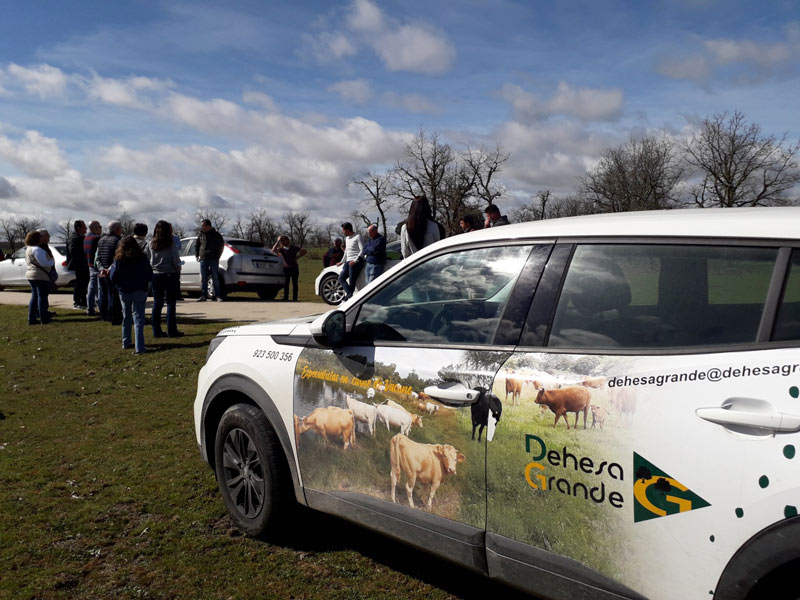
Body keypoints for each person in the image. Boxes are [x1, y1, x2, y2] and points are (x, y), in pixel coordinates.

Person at [110, 236, 153, 354]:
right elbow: (149, 273)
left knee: (127, 317)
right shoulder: (142, 258)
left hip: (125, 291)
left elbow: (113, 276)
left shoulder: (119, 259)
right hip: (139, 289)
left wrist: (119, 285)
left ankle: (126, 341)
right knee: (139, 318)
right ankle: (139, 347)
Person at [146, 220, 182, 337]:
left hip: (156, 274)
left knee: (158, 303)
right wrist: (178, 270)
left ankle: (156, 330)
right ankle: (172, 330)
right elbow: (176, 260)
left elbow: (147, 259)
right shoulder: (170, 243)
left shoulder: (151, 243)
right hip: (170, 273)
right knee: (171, 303)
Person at [95, 220, 123, 324]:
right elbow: (117, 257)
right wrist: (110, 269)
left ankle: (103, 315)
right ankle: (113, 315)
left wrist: (102, 268)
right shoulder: (118, 240)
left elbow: (97, 257)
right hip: (112, 271)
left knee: (103, 294)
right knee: (113, 295)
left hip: (102, 271)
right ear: (117, 229)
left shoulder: (101, 240)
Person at [24, 230, 53, 325]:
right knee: (42, 297)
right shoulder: (37, 249)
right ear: (36, 239)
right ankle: (44, 318)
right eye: (40, 237)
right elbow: (44, 263)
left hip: (31, 274)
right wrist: (52, 261)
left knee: (35, 297)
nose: (42, 238)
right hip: (40, 275)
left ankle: (31, 318)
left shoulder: (28, 249)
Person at [195, 219, 224, 302]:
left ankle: (218, 296)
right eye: (202, 226)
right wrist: (197, 255)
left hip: (213, 259)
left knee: (215, 277)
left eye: (203, 226)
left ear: (208, 226)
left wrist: (218, 256)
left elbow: (221, 246)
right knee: (203, 278)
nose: (202, 227)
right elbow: (197, 245)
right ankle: (203, 296)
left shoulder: (216, 235)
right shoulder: (201, 234)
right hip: (203, 258)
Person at [271, 235, 307, 302]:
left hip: (294, 267)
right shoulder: (281, 249)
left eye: (284, 240)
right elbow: (273, 250)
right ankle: (286, 297)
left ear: (287, 241)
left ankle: (295, 298)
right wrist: (277, 240)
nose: (282, 242)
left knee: (295, 284)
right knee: (286, 284)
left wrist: (298, 257)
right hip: (286, 268)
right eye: (281, 241)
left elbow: (304, 251)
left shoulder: (294, 248)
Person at [66, 220, 89, 310]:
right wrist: (83, 257)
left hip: (83, 264)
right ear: (78, 228)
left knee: (84, 283)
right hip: (79, 264)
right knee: (80, 283)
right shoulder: (74, 238)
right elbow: (73, 251)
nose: (86, 229)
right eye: (84, 227)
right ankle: (77, 302)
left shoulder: (82, 237)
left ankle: (83, 301)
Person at [337, 222, 363, 301]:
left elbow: (362, 249)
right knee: (341, 278)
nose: (343, 232)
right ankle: (349, 294)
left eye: (343, 230)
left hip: (356, 261)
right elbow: (346, 251)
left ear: (347, 230)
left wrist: (355, 261)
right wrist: (342, 261)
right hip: (348, 261)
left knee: (352, 281)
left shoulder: (358, 237)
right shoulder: (346, 238)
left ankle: (348, 298)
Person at [84, 221, 102, 316]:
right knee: (99, 288)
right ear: (95, 228)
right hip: (97, 265)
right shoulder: (97, 238)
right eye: (100, 227)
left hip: (90, 264)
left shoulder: (86, 238)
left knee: (91, 287)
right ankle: (101, 307)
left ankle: (90, 308)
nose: (101, 229)